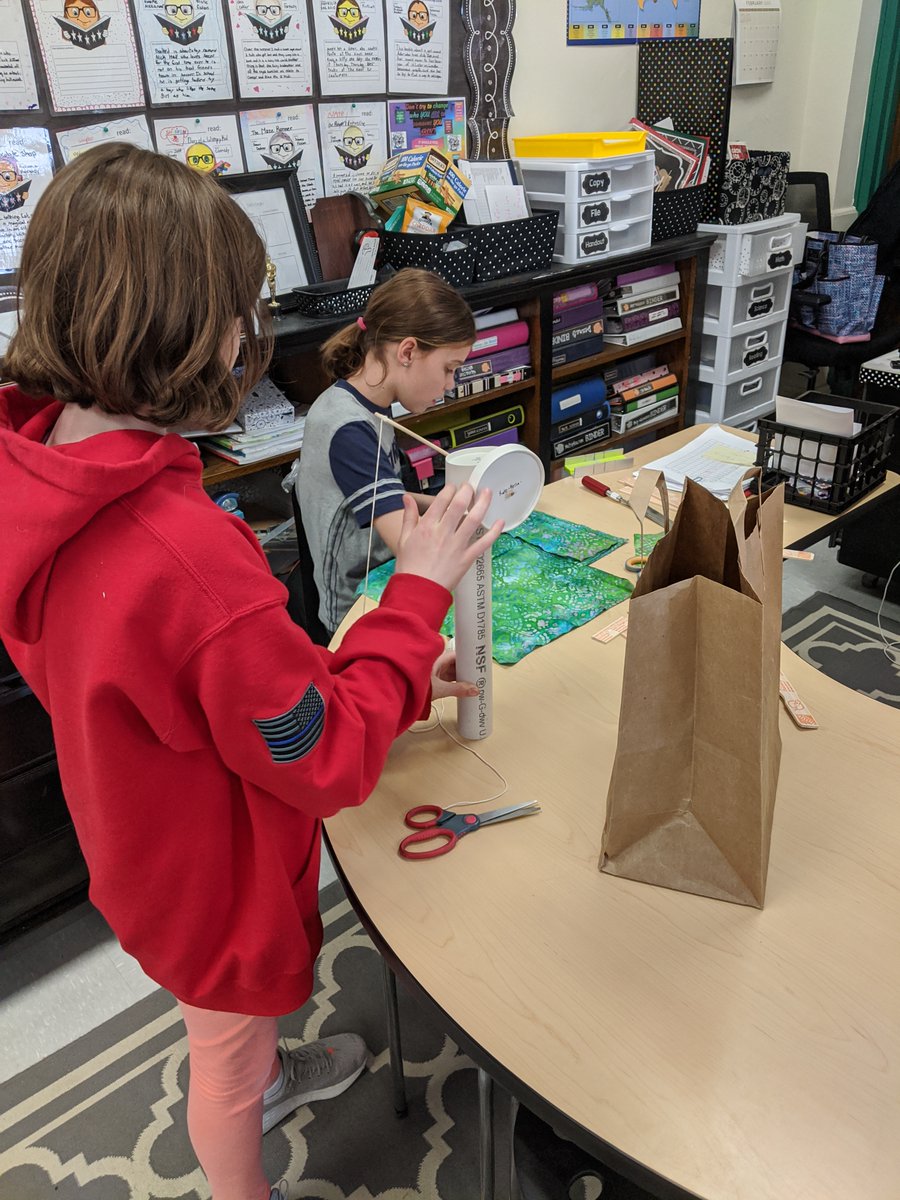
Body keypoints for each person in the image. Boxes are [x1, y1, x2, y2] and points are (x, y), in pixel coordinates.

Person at [0, 144, 501, 1200]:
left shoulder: (43, 467)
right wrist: (414, 599)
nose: (243, 333)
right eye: (236, 310)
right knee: (224, 1060)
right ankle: (245, 1159)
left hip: (141, 834)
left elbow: (217, 684)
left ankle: (272, 1069)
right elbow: (321, 758)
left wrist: (382, 668)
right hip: (210, 882)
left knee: (227, 1026)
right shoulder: (183, 559)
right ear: (190, 327)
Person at [297, 268, 476, 635]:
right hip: (356, 616)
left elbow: (384, 497)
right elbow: (412, 552)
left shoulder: (367, 404)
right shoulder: (348, 428)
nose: (448, 384)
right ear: (408, 351)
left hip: (379, 585)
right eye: (449, 369)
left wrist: (457, 503)